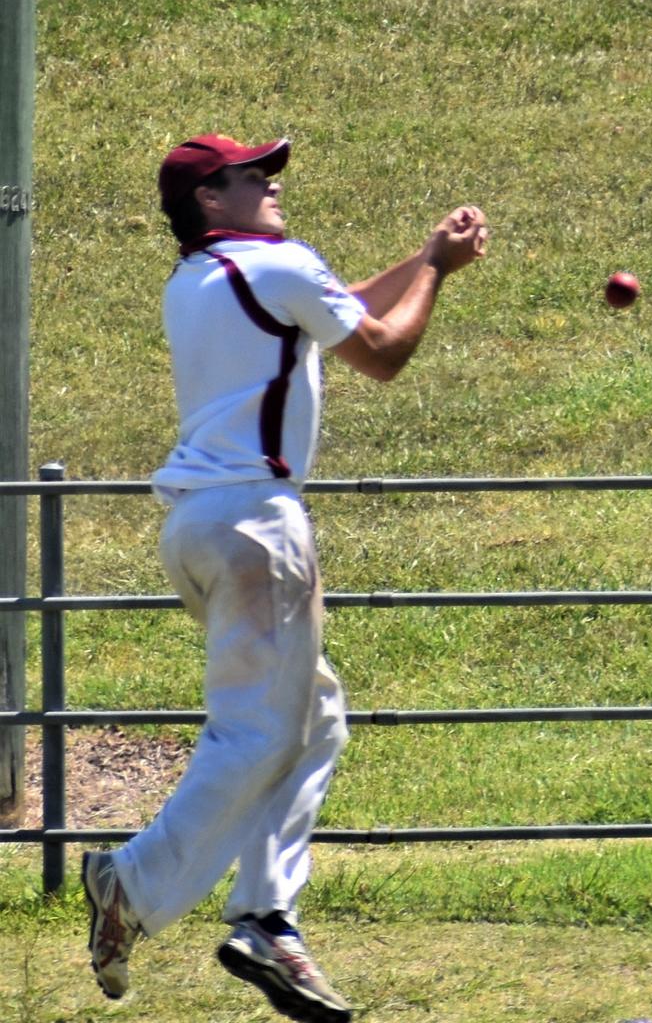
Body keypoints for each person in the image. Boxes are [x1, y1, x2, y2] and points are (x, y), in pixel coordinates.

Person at [81, 132, 487, 1023]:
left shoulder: (197, 282)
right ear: (207, 200)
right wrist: (441, 274)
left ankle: (267, 913)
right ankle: (136, 886)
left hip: (198, 525)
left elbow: (332, 311)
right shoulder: (280, 265)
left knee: (315, 717)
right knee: (259, 732)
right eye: (247, 175)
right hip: (261, 527)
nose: (268, 183)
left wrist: (423, 255)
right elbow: (379, 351)